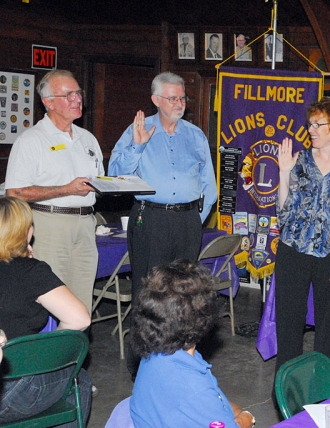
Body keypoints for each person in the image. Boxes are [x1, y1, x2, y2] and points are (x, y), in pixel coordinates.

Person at [109, 71, 217, 378]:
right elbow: (115, 175)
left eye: (183, 97)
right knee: (149, 293)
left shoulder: (194, 135)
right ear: (156, 100)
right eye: (173, 98)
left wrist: (192, 219)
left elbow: (210, 186)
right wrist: (138, 146)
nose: (180, 103)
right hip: (150, 218)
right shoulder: (138, 130)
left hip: (186, 220)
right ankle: (142, 370)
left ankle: (183, 363)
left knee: (187, 293)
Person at [274, 98, 330, 375]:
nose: (311, 130)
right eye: (310, 124)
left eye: (318, 124)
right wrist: (284, 173)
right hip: (293, 251)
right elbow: (283, 212)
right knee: (289, 324)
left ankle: (325, 393)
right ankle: (286, 390)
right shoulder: (299, 160)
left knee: (328, 328)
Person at [5, 69, 104, 312]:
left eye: (78, 93)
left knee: (81, 307)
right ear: (48, 102)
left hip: (86, 225)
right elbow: (14, 193)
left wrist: (110, 187)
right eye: (68, 95)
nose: (77, 99)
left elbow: (98, 182)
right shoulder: (31, 140)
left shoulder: (88, 139)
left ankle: (74, 350)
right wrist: (67, 189)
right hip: (48, 225)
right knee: (47, 302)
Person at [130, 260, 255, 428]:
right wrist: (246, 418)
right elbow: (202, 400)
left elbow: (212, 401)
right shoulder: (193, 387)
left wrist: (232, 411)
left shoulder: (156, 355)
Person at [0, 197, 92, 426]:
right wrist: (49, 354)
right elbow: (79, 319)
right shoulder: (30, 272)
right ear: (26, 230)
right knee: (78, 379)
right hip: (11, 391)